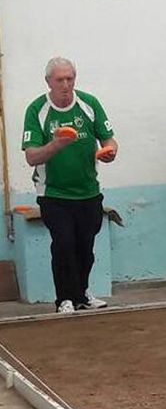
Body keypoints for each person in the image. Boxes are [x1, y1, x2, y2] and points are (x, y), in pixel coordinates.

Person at [22, 57, 118, 313]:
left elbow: (109, 140)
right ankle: (64, 299)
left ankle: (82, 293)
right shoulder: (37, 110)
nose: (65, 84)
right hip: (53, 192)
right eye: (60, 80)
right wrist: (56, 145)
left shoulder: (89, 104)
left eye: (70, 79)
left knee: (85, 247)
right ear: (48, 82)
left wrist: (109, 152)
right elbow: (31, 155)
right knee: (63, 244)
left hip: (88, 191)